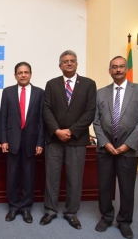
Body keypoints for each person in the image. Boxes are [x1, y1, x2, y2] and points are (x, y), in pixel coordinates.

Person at [93, 56, 138, 239]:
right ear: (109, 70)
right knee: (104, 185)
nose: (118, 70)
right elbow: (96, 122)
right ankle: (106, 217)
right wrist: (106, 143)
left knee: (127, 187)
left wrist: (127, 145)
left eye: (121, 67)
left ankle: (125, 222)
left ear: (127, 69)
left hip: (129, 149)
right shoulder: (100, 93)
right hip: (106, 148)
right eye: (114, 67)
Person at [40, 50, 96, 230]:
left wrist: (71, 131)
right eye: (65, 61)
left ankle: (71, 212)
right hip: (54, 139)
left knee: (75, 177)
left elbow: (90, 112)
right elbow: (46, 109)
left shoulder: (88, 84)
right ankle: (50, 210)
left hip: (77, 140)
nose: (69, 64)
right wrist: (57, 130)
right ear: (60, 66)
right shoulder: (51, 84)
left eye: (72, 61)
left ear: (77, 64)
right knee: (52, 177)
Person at [0, 62, 44, 224]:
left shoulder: (40, 93)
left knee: (28, 176)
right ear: (15, 75)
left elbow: (42, 120)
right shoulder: (8, 92)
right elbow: (2, 117)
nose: (23, 75)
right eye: (20, 72)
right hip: (12, 141)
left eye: (26, 72)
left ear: (30, 74)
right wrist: (3, 140)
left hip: (31, 142)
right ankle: (13, 207)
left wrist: (40, 142)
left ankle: (25, 208)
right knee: (12, 175)